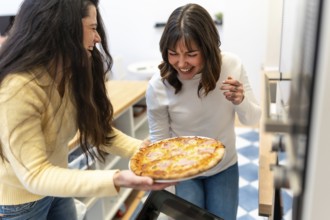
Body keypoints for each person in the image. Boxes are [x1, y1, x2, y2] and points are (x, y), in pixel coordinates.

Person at [0, 0, 174, 219]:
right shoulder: (18, 87)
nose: (98, 37)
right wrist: (117, 178)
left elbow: (97, 131)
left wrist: (144, 151)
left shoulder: (70, 71)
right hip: (20, 202)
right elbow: (34, 174)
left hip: (57, 183)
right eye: (92, 28)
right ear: (64, 28)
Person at [146, 3, 261, 220]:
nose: (181, 63)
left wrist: (241, 101)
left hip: (224, 166)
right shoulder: (159, 85)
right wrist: (167, 197)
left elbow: (253, 118)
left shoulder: (231, 65)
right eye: (173, 54)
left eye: (191, 54)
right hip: (182, 172)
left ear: (207, 48)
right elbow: (159, 144)